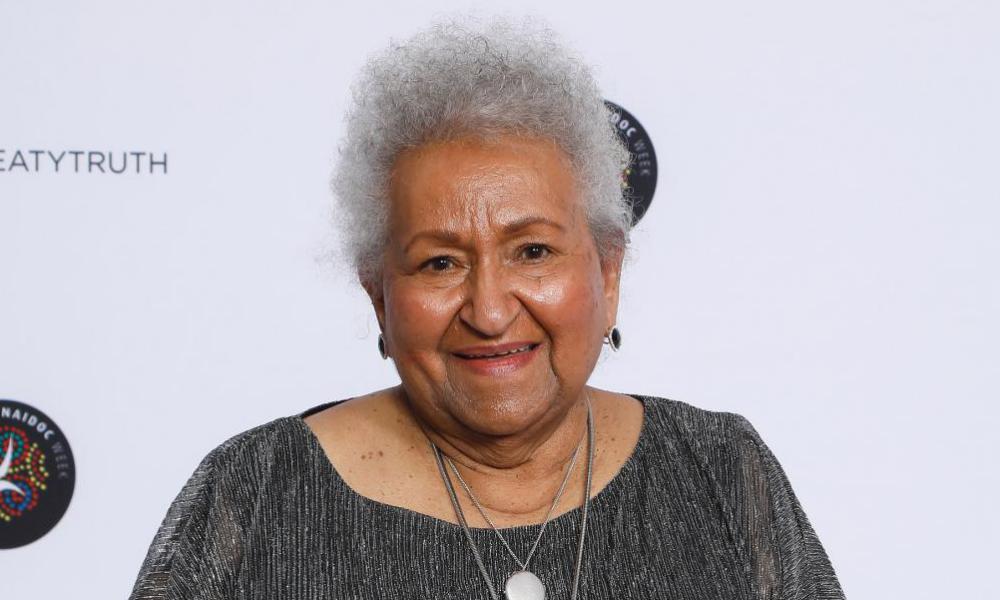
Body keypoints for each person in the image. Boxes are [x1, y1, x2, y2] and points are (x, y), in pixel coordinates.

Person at [129, 15, 846, 600]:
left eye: (532, 251)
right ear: (379, 293)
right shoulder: (254, 495)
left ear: (608, 270)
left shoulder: (719, 470)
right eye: (439, 262)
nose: (491, 310)